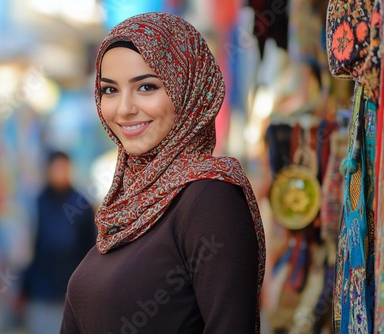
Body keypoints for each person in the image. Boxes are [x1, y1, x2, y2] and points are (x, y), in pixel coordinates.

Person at [61, 12, 266, 334]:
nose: (124, 108)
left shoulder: (209, 197)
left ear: (188, 89)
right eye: (110, 90)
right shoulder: (122, 208)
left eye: (146, 86)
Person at [21, 151, 96, 334]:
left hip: (72, 288)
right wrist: (25, 287)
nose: (60, 173)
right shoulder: (39, 202)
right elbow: (31, 245)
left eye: (64, 168)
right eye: (56, 168)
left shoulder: (81, 203)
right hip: (42, 289)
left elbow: (91, 248)